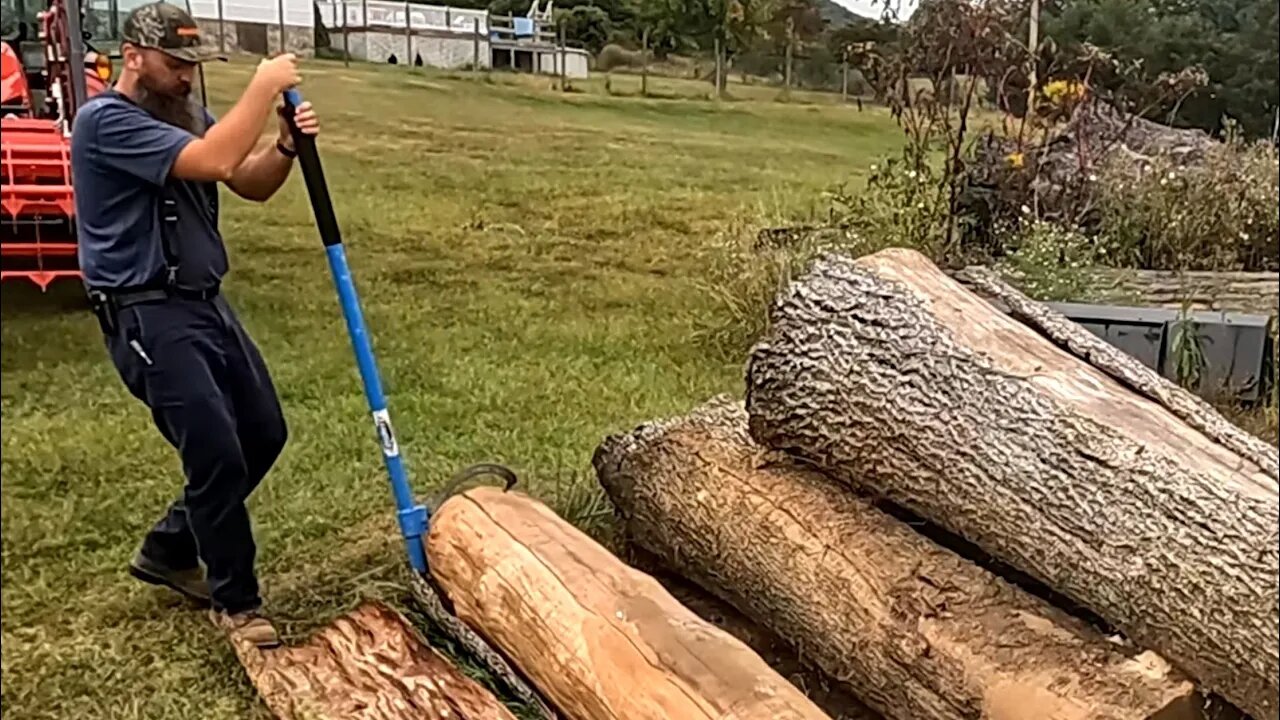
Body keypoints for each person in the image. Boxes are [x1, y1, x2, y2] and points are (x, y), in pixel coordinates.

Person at [70, 0, 319, 649]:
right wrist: (264, 86)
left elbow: (248, 180)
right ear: (133, 57)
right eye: (175, 63)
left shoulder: (182, 116)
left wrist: (286, 146)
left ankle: (169, 546)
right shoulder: (104, 123)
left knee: (263, 431)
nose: (186, 76)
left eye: (193, 64)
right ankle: (236, 602)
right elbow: (211, 161)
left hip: (205, 302)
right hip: (147, 310)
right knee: (214, 450)